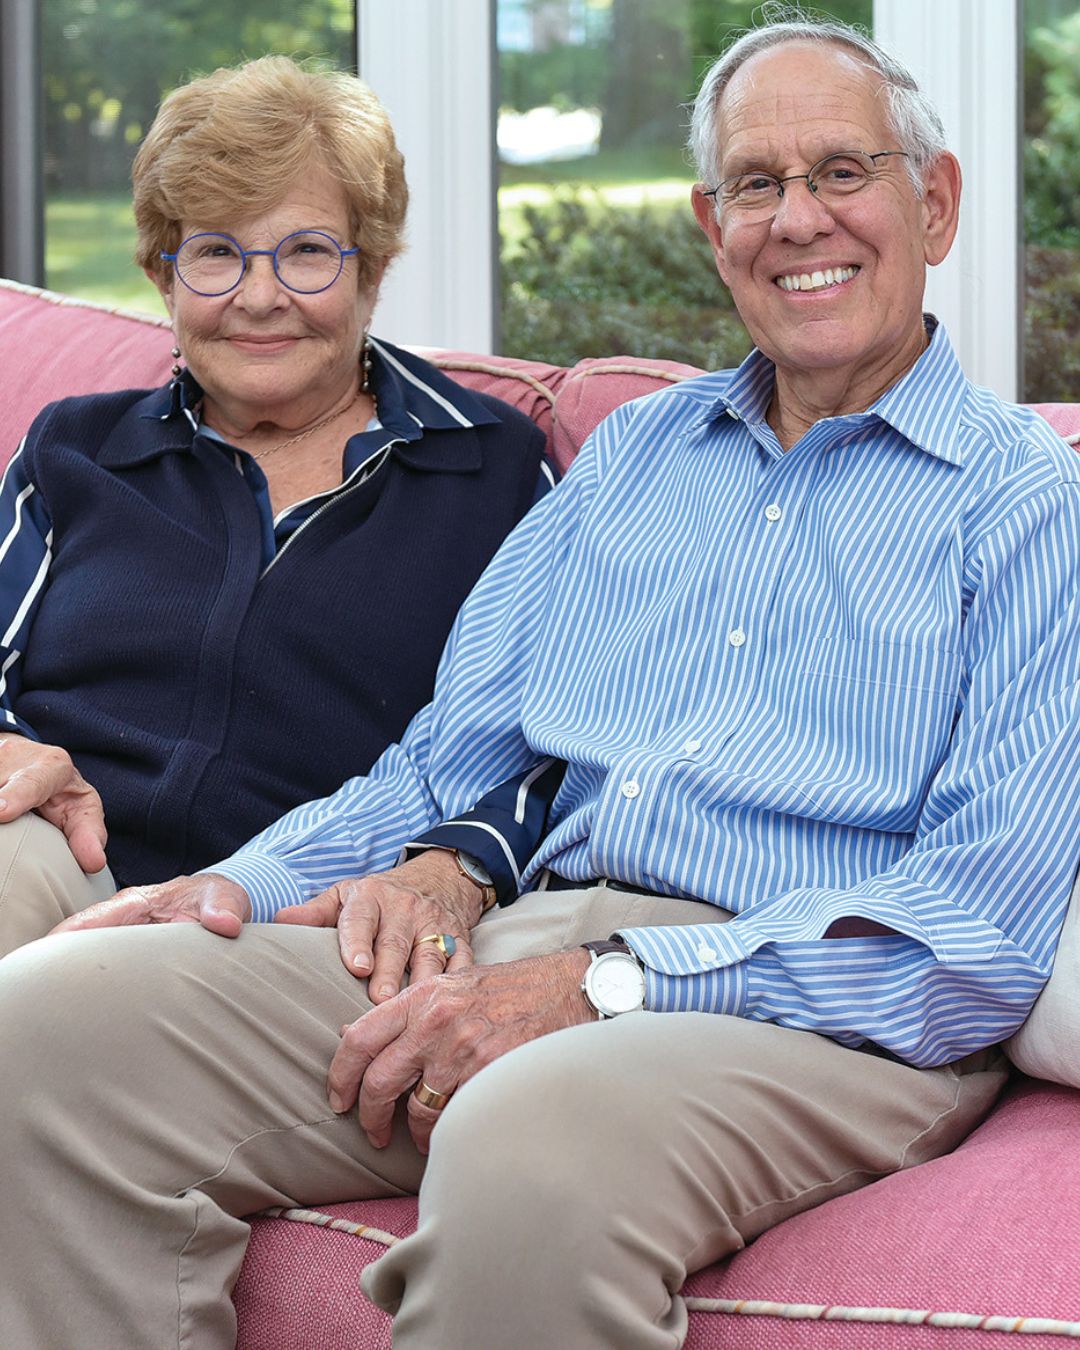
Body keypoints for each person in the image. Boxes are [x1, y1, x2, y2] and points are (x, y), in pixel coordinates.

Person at [2, 14, 1078, 1349]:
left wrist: (611, 982)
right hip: (524, 940)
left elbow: (973, 933)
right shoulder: (635, 455)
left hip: (808, 1007)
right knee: (50, 1023)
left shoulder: (1027, 504)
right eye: (755, 184)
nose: (798, 218)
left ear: (938, 203)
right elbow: (446, 763)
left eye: (843, 172)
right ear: (713, 226)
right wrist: (232, 886)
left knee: (525, 1147)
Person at [0, 55, 550, 956]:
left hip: (293, 917)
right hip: (64, 854)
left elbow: (551, 742)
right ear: (164, 278)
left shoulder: (494, 469)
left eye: (306, 253)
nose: (260, 298)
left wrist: (448, 870)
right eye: (217, 253)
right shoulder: (76, 447)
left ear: (371, 272)